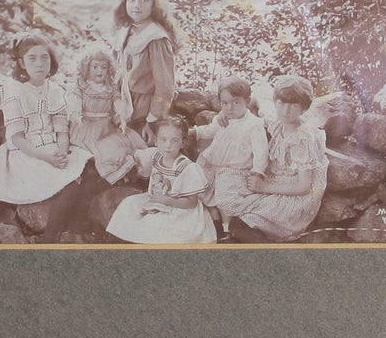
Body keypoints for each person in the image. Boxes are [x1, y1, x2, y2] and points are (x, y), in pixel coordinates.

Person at [0, 34, 93, 219]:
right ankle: (51, 237)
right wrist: (47, 157)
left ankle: (70, 231)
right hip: (27, 153)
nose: (39, 64)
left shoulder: (55, 91)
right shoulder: (15, 90)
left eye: (45, 58)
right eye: (32, 58)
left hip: (52, 147)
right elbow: (17, 138)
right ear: (22, 63)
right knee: (69, 187)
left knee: (90, 171)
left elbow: (61, 131)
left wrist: (61, 151)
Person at [224, 75, 326, 241]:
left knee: (240, 224)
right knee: (232, 201)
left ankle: (270, 253)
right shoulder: (279, 123)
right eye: (281, 103)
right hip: (278, 183)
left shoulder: (302, 138)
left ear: (304, 109)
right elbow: (259, 98)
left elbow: (304, 186)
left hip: (296, 198)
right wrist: (225, 114)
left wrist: (265, 187)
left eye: (294, 106)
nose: (286, 110)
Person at [105, 115, 217, 244]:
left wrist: (167, 200)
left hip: (180, 207)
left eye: (174, 141)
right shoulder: (155, 155)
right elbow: (136, 155)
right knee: (128, 204)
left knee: (160, 224)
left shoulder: (187, 168)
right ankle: (124, 239)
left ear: (183, 142)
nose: (168, 145)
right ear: (156, 140)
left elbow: (191, 202)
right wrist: (123, 154)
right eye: (163, 140)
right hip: (157, 199)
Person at [191, 77, 270, 226]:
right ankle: (213, 214)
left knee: (224, 195)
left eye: (235, 102)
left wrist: (257, 172)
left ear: (247, 101)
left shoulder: (253, 125)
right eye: (225, 103)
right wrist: (194, 133)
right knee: (197, 185)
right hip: (213, 163)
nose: (229, 108)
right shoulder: (223, 118)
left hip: (235, 169)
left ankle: (227, 227)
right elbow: (210, 131)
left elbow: (261, 152)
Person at [111, 0, 177, 144]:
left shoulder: (156, 39)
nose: (136, 6)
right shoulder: (125, 32)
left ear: (154, 4)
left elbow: (165, 87)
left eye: (144, 1)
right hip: (123, 108)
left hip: (144, 114)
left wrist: (152, 122)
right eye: (131, 0)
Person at [72, 43, 142, 184]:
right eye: (95, 67)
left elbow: (117, 103)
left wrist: (121, 116)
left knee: (125, 141)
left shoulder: (109, 88)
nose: (100, 71)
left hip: (106, 127)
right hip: (87, 128)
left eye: (104, 68)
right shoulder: (82, 86)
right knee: (100, 151)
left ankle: (128, 174)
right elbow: (74, 100)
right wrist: (76, 113)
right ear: (87, 68)